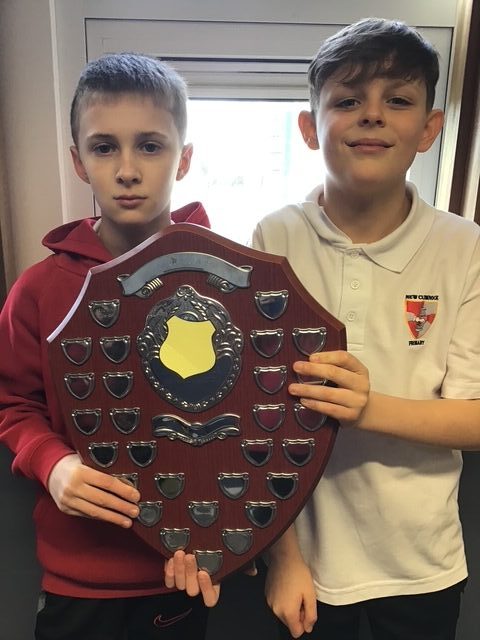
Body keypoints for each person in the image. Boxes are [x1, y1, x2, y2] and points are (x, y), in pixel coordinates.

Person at [250, 17, 480, 640]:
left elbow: (474, 418)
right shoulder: (275, 236)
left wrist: (367, 407)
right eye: (348, 100)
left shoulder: (464, 247)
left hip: (423, 564)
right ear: (309, 127)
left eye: (398, 101)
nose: (372, 115)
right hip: (307, 564)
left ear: (429, 129)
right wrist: (284, 558)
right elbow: (258, 420)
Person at [0, 52, 218, 640]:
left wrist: (227, 539)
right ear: (78, 160)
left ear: (184, 158)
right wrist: (52, 464)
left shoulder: (222, 282)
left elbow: (239, 418)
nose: (127, 170)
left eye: (150, 146)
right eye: (104, 147)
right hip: (79, 574)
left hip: (180, 566)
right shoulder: (39, 289)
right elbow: (12, 402)